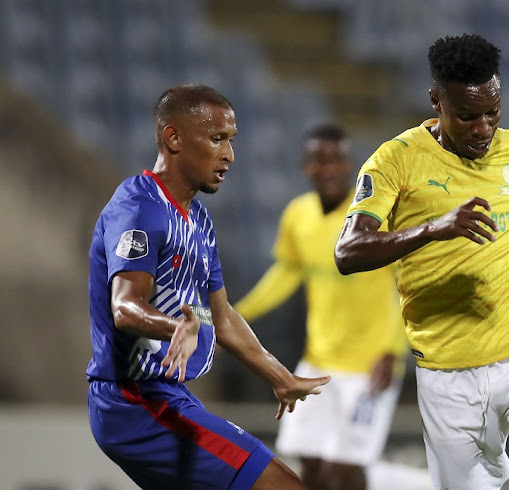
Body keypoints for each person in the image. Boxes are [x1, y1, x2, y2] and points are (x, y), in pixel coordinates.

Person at [334, 34, 509, 490]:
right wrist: (435, 228)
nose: (483, 128)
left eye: (492, 113)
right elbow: (347, 252)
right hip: (449, 375)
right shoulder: (394, 162)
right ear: (436, 102)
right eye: (467, 116)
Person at [86, 84, 330, 490]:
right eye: (217, 139)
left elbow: (222, 316)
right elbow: (125, 307)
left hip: (166, 396)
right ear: (174, 138)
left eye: (231, 141)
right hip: (133, 402)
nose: (229, 155)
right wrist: (175, 328)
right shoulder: (138, 208)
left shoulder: (198, 221)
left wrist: (278, 376)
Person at [233, 123, 407, 490]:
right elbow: (287, 273)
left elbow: (403, 285)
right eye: (318, 159)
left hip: (369, 364)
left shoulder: (373, 216)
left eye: (335, 160)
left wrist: (392, 350)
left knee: (343, 472)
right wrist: (236, 313)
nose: (327, 168)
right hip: (318, 362)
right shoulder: (298, 215)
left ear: (349, 167)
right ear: (305, 167)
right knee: (308, 469)